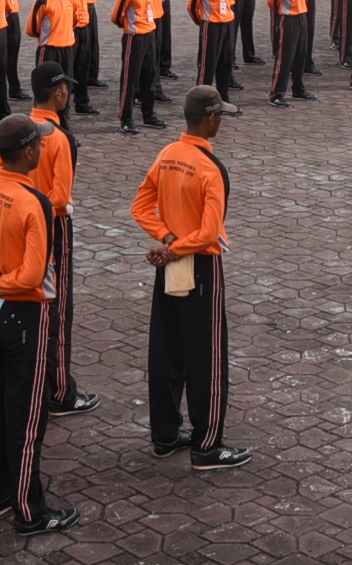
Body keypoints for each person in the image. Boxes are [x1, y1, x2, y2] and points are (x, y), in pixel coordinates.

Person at [0, 115, 80, 534]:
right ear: (28, 153)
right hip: (25, 313)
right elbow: (32, 276)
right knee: (28, 415)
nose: (45, 150)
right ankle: (29, 510)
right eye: (40, 146)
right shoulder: (35, 203)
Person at [131, 86, 253, 470]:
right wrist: (178, 246)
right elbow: (209, 232)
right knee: (207, 356)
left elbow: (140, 206)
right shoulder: (211, 169)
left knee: (166, 349)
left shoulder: (168, 154)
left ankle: (165, 435)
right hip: (199, 267)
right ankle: (208, 445)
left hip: (169, 266)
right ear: (211, 119)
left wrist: (166, 240)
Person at [27, 66, 97, 419]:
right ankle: (59, 390)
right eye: (65, 89)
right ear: (56, 93)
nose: (68, 94)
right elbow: (61, 195)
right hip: (52, 225)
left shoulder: (22, 129)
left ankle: (36, 379)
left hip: (21, 224)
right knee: (58, 305)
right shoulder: (59, 137)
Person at [113, 0, 166, 131]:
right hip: (134, 38)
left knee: (149, 77)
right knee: (130, 79)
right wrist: (131, 27)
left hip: (149, 35)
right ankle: (126, 118)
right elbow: (116, 17)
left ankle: (149, 114)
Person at [266, 0, 317, 107]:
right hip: (288, 19)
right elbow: (272, 1)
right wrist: (284, 13)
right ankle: (276, 93)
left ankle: (298, 88)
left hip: (302, 17)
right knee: (285, 57)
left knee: (301, 55)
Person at [191, 0, 242, 107]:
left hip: (228, 23)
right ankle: (200, 101)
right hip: (211, 25)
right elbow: (193, 5)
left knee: (225, 63)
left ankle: (223, 99)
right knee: (207, 65)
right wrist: (203, 21)